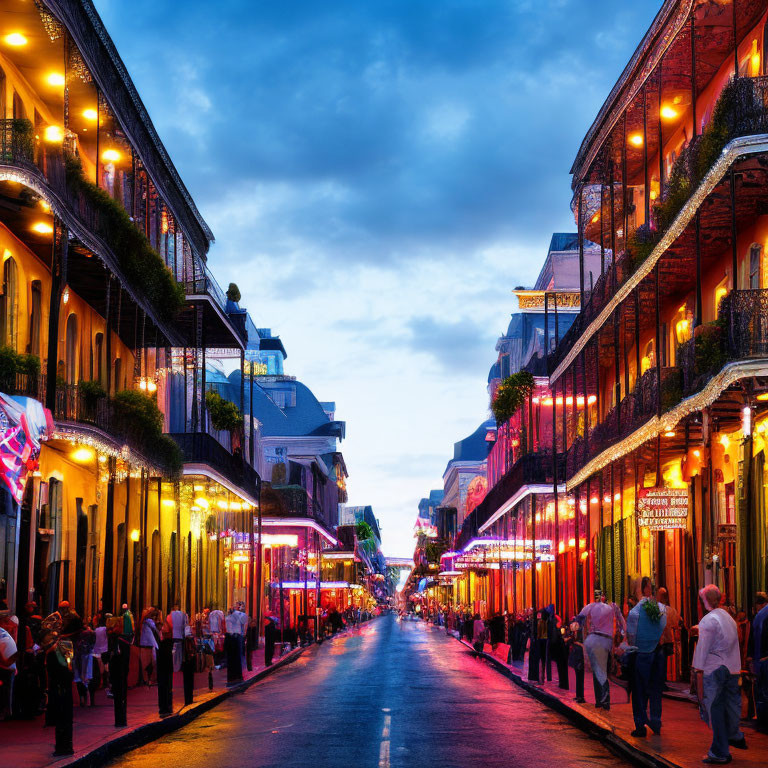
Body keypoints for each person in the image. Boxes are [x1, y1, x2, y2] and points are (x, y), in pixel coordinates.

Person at [692, 584, 747, 764]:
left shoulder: (708, 621)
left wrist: (698, 675)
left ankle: (720, 751)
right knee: (728, 708)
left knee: (715, 710)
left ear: (704, 601)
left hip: (715, 669)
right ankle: (733, 737)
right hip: (732, 668)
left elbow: (702, 652)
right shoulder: (729, 619)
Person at [626, 577, 667, 737]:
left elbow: (631, 636)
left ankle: (640, 724)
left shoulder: (635, 611)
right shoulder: (661, 609)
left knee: (639, 690)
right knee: (655, 689)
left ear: (640, 590)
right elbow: (664, 628)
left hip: (641, 654)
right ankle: (655, 721)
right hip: (658, 653)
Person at [578, 591, 626, 710]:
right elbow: (622, 623)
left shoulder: (595, 607)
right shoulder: (611, 607)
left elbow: (580, 618)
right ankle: (602, 700)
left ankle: (601, 700)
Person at [750, 591, 768, 730]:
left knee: (763, 692)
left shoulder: (760, 616)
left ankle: (763, 722)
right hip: (763, 658)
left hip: (762, 659)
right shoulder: (762, 616)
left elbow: (757, 638)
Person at [658, 587, 680, 688]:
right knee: (662, 660)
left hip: (663, 639)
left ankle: (662, 680)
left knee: (661, 660)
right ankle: (662, 680)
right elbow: (675, 622)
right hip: (665, 638)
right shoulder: (670, 610)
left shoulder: (663, 609)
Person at [156, 614, 174, 717]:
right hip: (164, 664)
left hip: (164, 664)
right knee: (165, 684)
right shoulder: (163, 643)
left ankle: (166, 707)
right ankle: (165, 707)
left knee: (166, 684)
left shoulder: (165, 643)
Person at [0, 624, 18, 720]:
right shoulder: (3, 632)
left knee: (5, 691)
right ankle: (7, 711)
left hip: (6, 666)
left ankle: (6, 712)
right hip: (9, 666)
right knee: (7, 691)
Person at [138, 607, 159, 686]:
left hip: (143, 643)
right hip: (150, 643)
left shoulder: (142, 622)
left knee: (145, 663)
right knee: (153, 661)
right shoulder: (149, 621)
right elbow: (155, 628)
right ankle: (151, 679)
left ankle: (146, 679)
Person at [567, 617, 586, 703]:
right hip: (576, 657)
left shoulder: (582, 634)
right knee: (578, 677)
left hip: (580, 657)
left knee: (580, 677)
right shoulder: (575, 633)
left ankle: (581, 697)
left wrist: (576, 642)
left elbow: (583, 645)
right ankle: (578, 695)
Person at [168, 604, 187, 673]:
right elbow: (185, 624)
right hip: (180, 635)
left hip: (173, 635)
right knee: (179, 652)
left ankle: (173, 665)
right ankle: (179, 665)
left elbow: (168, 624)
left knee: (173, 651)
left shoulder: (170, 615)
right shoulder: (182, 614)